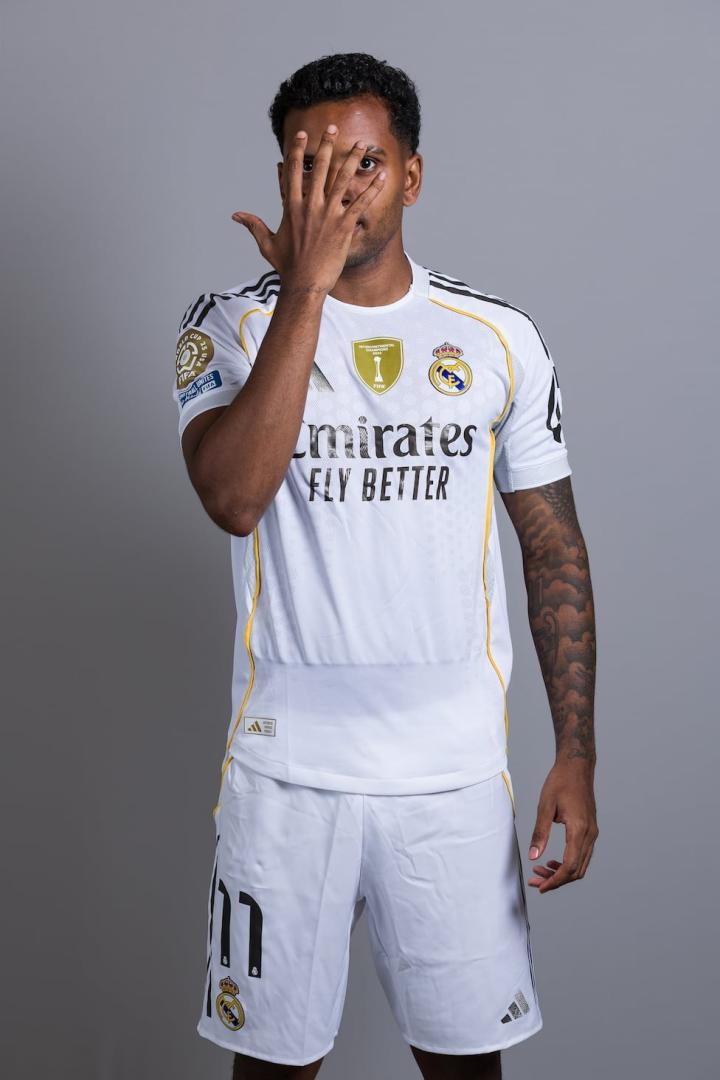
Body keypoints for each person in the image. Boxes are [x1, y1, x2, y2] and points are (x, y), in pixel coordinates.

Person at [172, 52, 598, 1080]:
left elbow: (553, 547)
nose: (337, 191)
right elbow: (233, 498)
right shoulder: (229, 324)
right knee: (272, 1069)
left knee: (466, 1066)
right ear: (283, 178)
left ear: (411, 176)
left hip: (451, 779)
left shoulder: (498, 338)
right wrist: (307, 291)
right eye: (309, 166)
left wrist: (575, 753)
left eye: (362, 164)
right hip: (286, 777)